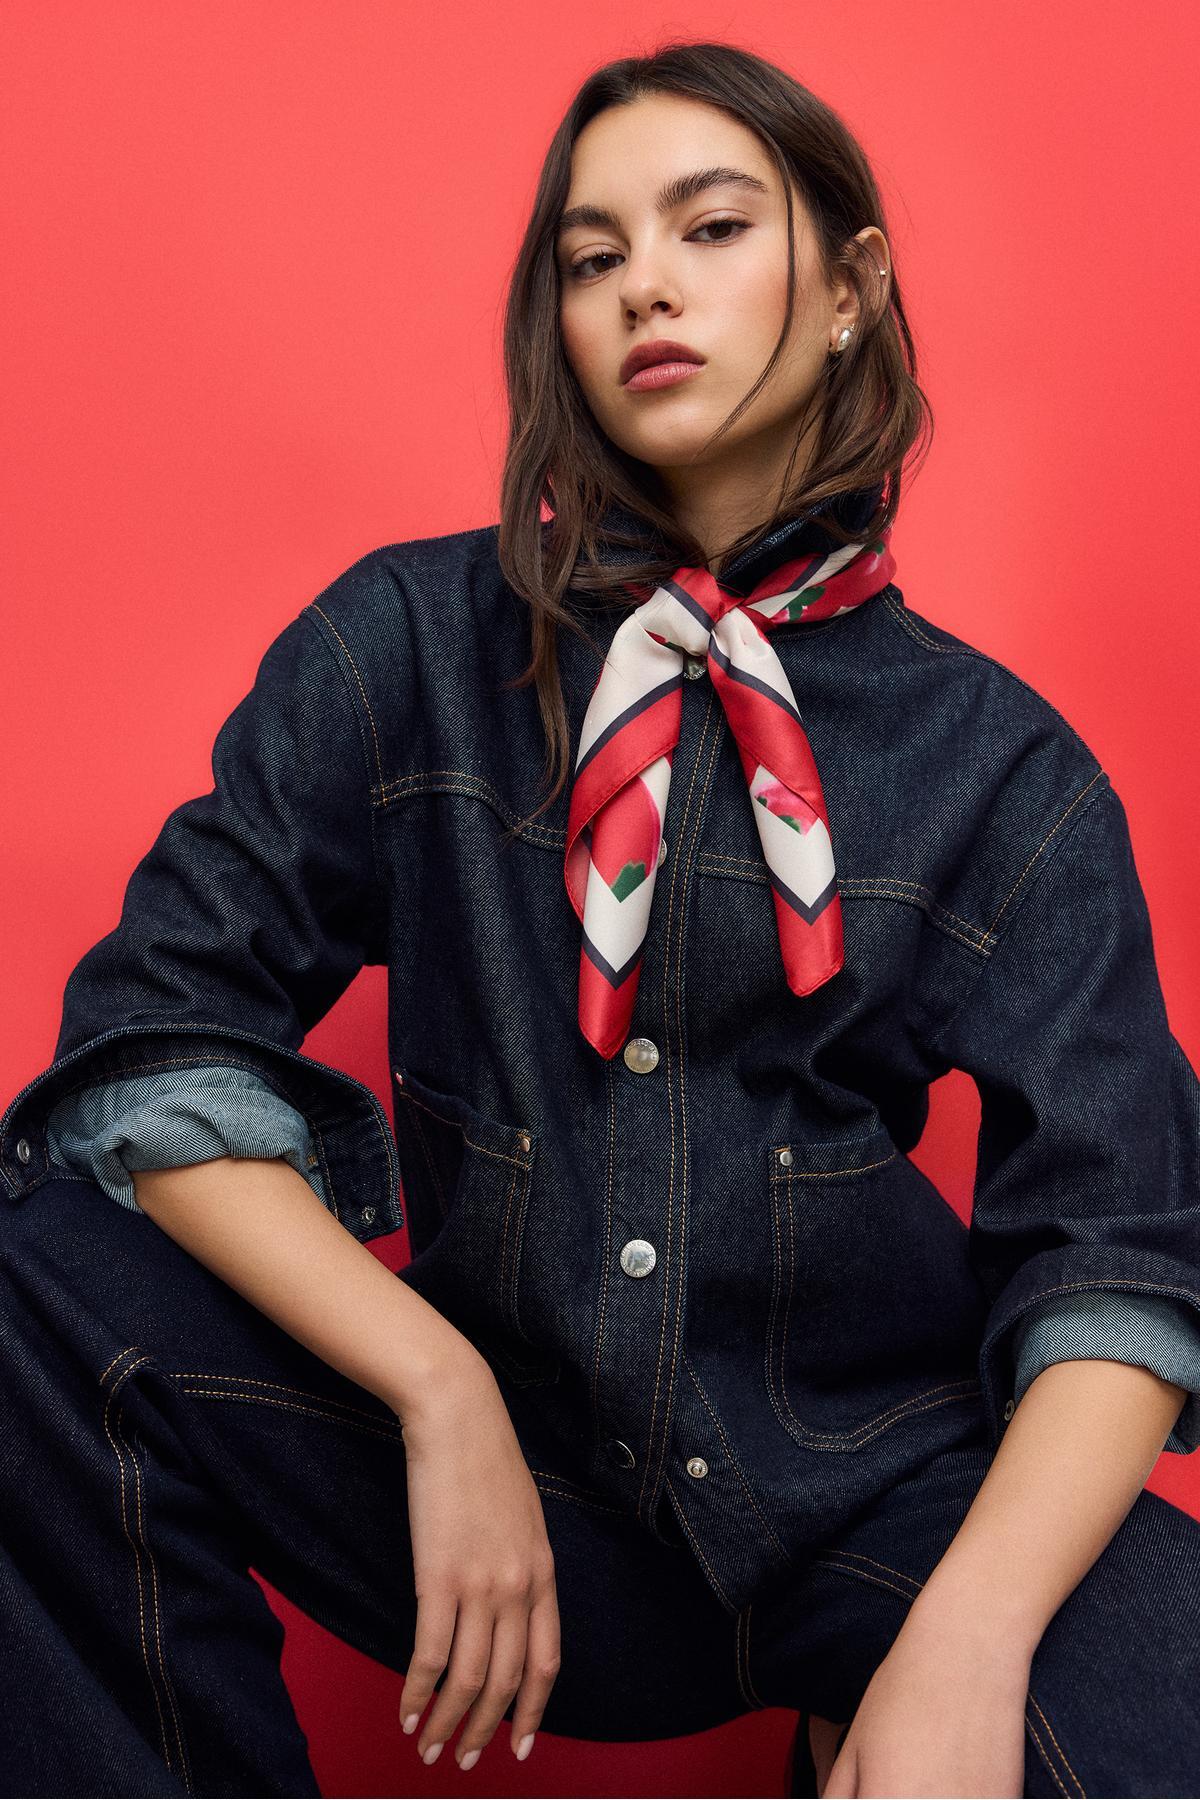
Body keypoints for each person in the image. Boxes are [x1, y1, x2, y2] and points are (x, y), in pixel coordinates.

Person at [3, 37, 1199, 1800]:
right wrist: (439, 1390)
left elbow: (1119, 1262)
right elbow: (146, 1049)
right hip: (522, 1492)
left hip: (876, 1498)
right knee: (34, 1286)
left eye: (712, 228)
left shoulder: (1004, 767)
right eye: (591, 256)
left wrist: (967, 1638)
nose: (645, 285)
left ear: (851, 290)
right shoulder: (405, 649)